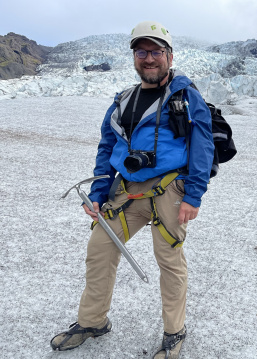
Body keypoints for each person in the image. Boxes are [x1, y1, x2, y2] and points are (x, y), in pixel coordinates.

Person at [50, 20, 214, 359]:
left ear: (170, 56)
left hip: (170, 192)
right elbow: (107, 146)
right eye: (142, 51)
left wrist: (194, 195)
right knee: (100, 248)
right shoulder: (123, 100)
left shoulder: (186, 97)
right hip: (126, 192)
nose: (149, 58)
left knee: (169, 260)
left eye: (156, 51)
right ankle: (93, 320)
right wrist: (98, 191)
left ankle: (174, 331)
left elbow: (203, 147)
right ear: (134, 57)